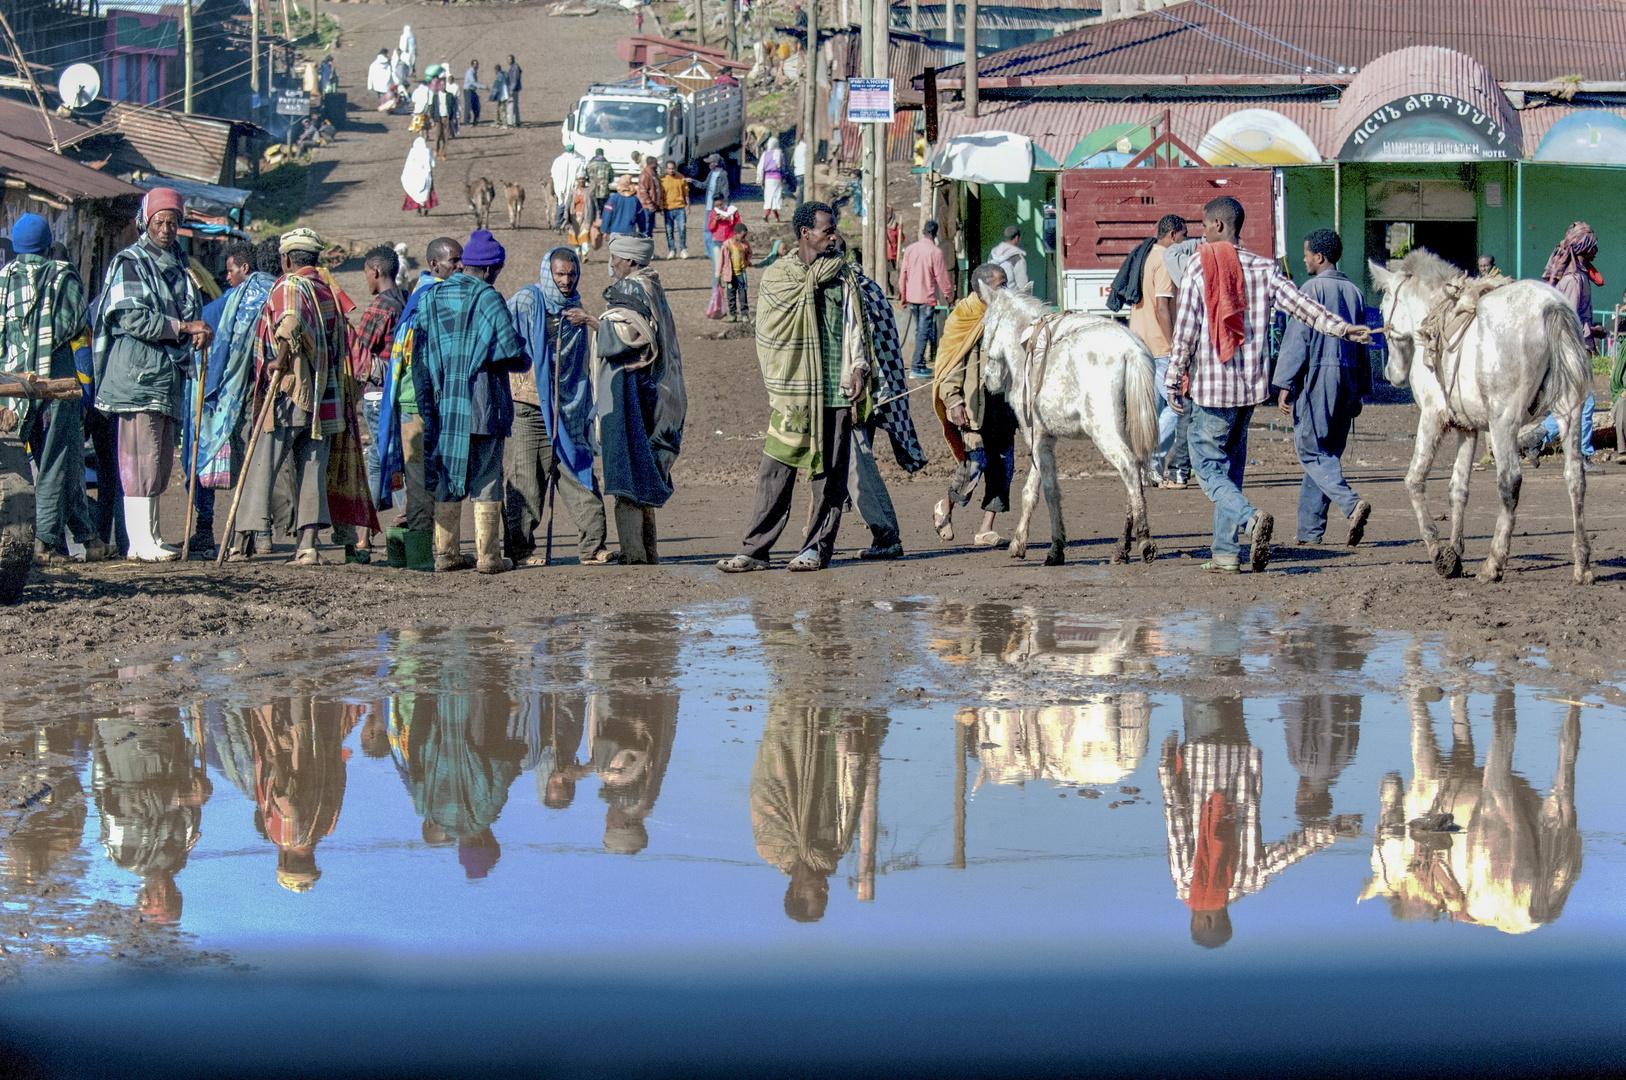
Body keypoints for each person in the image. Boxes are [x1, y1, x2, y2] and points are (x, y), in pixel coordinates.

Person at [1165, 196, 1371, 574]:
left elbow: (1186, 330)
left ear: (1221, 227)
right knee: (1232, 472)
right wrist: (1342, 328)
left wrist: (1173, 377)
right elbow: (1302, 308)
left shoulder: (1200, 267)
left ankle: (1250, 519)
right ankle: (1226, 553)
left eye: (1206, 226)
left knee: (1209, 471)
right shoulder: (1264, 269)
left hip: (1211, 392)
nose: (1203, 233)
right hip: (1247, 394)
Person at [718, 202, 877, 573]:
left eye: (834, 229)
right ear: (805, 233)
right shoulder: (779, 277)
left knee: (829, 473)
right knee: (775, 469)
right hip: (794, 393)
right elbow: (767, 334)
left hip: (836, 389)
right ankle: (755, 550)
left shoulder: (843, 277)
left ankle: (816, 549)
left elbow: (856, 328)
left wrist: (858, 369)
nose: (834, 236)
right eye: (827, 230)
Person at [90, 187, 211, 562]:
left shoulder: (178, 262)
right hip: (137, 374)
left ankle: (153, 537)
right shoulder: (131, 262)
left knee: (159, 460)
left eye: (173, 223)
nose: (166, 229)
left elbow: (189, 313)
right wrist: (185, 327)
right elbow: (132, 317)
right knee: (139, 459)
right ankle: (139, 542)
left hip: (166, 375)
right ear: (146, 221)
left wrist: (198, 328)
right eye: (160, 222)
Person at [233, 229, 352, 565]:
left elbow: (289, 324)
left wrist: (279, 359)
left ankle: (242, 542)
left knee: (261, 463)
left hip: (289, 392)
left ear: (286, 259)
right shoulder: (325, 289)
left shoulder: (290, 285)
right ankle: (308, 546)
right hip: (323, 396)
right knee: (312, 467)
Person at [411, 229, 526, 574]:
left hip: (448, 404)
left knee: (449, 472)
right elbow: (511, 350)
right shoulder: (489, 298)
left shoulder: (430, 298)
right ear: (490, 269)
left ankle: (445, 554)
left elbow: (422, 357)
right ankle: (489, 557)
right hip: (483, 401)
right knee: (487, 475)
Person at [0, 215, 104, 564]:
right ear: (47, 245)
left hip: (13, 379)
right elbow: (76, 321)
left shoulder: (3, 278)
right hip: (55, 375)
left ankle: (79, 536)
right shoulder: (62, 274)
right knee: (58, 456)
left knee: (12, 455)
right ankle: (43, 542)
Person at [506, 247, 610, 566]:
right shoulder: (526, 301)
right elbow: (501, 337)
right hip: (529, 405)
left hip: (566, 406)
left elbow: (579, 362)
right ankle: (520, 550)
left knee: (578, 470)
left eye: (571, 274)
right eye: (560, 274)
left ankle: (592, 547)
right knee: (528, 477)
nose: (566, 281)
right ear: (547, 272)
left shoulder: (575, 307)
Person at [1272, 228, 1372, 548]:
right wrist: (1360, 390)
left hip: (1318, 377)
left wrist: (1285, 382)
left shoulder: (1310, 288)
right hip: (1348, 379)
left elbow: (1298, 338)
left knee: (1311, 451)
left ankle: (1351, 504)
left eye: (1305, 253)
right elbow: (1362, 345)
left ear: (1319, 256)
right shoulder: (1355, 293)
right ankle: (1309, 533)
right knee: (1324, 455)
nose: (1303, 258)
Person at [596, 234, 686, 564]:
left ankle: (633, 552)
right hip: (658, 390)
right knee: (646, 463)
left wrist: (594, 323)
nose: (612, 264)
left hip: (630, 388)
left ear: (630, 261)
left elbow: (626, 338)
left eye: (616, 258)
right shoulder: (654, 286)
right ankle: (650, 551)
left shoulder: (631, 288)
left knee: (627, 462)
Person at [376, 238, 465, 572]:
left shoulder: (438, 296)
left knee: (435, 477)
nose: (459, 266)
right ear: (434, 265)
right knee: (419, 479)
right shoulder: (426, 299)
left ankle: (434, 550)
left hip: (436, 402)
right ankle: (420, 556)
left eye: (461, 260)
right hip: (416, 402)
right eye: (453, 261)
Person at [182, 242, 274, 559]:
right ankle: (257, 535)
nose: (227, 276)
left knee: (235, 465)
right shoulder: (272, 294)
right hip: (261, 394)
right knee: (257, 466)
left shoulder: (224, 307)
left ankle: (214, 531)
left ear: (244, 268)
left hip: (238, 397)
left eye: (231, 270)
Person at [931, 261, 1016, 548]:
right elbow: (950, 363)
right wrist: (953, 401)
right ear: (982, 288)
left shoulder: (1007, 314)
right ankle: (946, 506)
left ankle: (986, 528)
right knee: (975, 464)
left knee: (1003, 465)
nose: (1006, 289)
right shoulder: (963, 317)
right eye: (1000, 284)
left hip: (1002, 403)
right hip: (973, 406)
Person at [346, 246, 407, 562]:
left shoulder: (378, 309)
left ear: (376, 272)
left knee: (379, 461)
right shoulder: (408, 300)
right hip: (403, 394)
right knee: (400, 459)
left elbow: (360, 353)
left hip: (377, 396)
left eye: (366, 273)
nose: (366, 279)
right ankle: (402, 518)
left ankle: (363, 535)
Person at [1531, 222, 1599, 465]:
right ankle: (1581, 455)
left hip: (1578, 349)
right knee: (1585, 403)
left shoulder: (1580, 275)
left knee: (1574, 402)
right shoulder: (1572, 280)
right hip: (1571, 351)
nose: (1596, 250)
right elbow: (1568, 322)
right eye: (1593, 246)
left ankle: (1537, 438)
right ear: (1582, 248)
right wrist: (1593, 330)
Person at [1127, 213, 1187, 486]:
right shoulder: (1164, 260)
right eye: (1183, 235)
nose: (1184, 241)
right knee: (1178, 406)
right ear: (1173, 233)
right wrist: (1175, 344)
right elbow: (1163, 307)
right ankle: (1150, 454)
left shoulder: (1146, 254)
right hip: (1160, 345)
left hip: (1140, 341)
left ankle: (1148, 467)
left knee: (1150, 410)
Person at [897, 220, 953, 379]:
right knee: (923, 332)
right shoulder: (935, 252)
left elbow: (903, 274)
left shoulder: (910, 249)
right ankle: (916, 366)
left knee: (919, 331)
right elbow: (942, 277)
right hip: (926, 299)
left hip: (912, 298)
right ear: (935, 234)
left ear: (923, 231)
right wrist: (949, 296)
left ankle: (920, 364)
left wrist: (903, 294)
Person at [659, 159, 695, 259]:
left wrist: (688, 205)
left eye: (673, 168)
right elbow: (661, 195)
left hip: (680, 207)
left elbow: (686, 193)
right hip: (668, 208)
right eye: (669, 169)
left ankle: (683, 249)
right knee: (669, 230)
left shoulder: (681, 178)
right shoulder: (662, 179)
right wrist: (661, 207)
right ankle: (672, 249)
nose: (671, 171)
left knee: (682, 228)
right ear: (666, 169)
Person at [599, 174, 642, 247]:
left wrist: (604, 230)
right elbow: (641, 217)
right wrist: (642, 230)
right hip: (630, 232)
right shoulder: (635, 200)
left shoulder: (613, 199)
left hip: (615, 233)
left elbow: (607, 215)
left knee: (615, 255)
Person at [551, 148, 586, 232]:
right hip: (572, 186)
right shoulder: (578, 161)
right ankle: (568, 224)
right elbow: (581, 173)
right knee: (570, 205)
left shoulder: (558, 160)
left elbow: (553, 173)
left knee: (561, 203)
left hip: (560, 186)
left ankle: (558, 224)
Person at [401, 135, 437, 215]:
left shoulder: (413, 152)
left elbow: (408, 165)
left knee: (415, 191)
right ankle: (426, 207)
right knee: (427, 192)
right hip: (427, 176)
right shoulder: (428, 151)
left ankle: (418, 210)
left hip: (415, 176)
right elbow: (433, 164)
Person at [989, 224, 1029, 292]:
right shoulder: (1017, 258)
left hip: (995, 297)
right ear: (1017, 238)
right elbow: (1022, 286)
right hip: (1011, 299)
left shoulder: (992, 254)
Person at [426, 75, 456, 159]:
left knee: (446, 137)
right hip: (438, 118)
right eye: (441, 85)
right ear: (439, 86)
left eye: (444, 85)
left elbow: (454, 107)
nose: (443, 86)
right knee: (438, 135)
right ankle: (436, 150)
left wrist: (453, 117)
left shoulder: (450, 96)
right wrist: (432, 117)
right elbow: (433, 107)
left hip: (447, 118)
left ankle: (443, 153)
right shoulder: (436, 96)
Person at [585, 148, 615, 226]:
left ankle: (593, 223)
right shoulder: (607, 165)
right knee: (603, 208)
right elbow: (611, 178)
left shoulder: (590, 164)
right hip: (604, 190)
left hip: (593, 189)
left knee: (592, 207)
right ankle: (602, 223)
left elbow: (586, 177)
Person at [760, 139, 785, 222]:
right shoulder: (779, 154)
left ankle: (767, 214)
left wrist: (761, 179)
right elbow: (783, 167)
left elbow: (761, 168)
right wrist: (783, 178)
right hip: (777, 177)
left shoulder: (765, 154)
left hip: (767, 177)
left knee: (768, 195)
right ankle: (776, 216)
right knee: (775, 196)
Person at [636, 154, 660, 236]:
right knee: (645, 229)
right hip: (645, 206)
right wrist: (649, 204)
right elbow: (643, 192)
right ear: (652, 164)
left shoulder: (652, 174)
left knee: (650, 228)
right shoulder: (645, 175)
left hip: (651, 205)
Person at [884, 206, 902, 295]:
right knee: (885, 276)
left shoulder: (896, 227)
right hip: (883, 255)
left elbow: (901, 238)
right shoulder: (882, 226)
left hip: (892, 255)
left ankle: (894, 292)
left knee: (892, 275)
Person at [461, 60, 485, 127]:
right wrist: (483, 87)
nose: (476, 66)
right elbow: (473, 83)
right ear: (472, 65)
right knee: (468, 106)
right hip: (468, 91)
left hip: (472, 91)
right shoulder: (470, 72)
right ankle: (466, 122)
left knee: (476, 106)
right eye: (475, 64)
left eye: (477, 64)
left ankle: (475, 121)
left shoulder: (474, 72)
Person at [489, 64, 511, 129]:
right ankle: (497, 122)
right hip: (504, 95)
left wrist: (492, 96)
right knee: (498, 109)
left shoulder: (499, 76)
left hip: (502, 96)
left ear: (496, 70)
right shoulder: (504, 74)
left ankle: (505, 124)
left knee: (502, 110)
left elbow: (496, 86)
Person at [505, 54, 522, 127]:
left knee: (511, 105)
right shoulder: (513, 67)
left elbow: (514, 79)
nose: (508, 61)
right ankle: (516, 121)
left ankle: (512, 122)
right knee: (514, 105)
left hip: (513, 89)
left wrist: (511, 89)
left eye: (510, 60)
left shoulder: (515, 67)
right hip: (513, 88)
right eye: (508, 60)